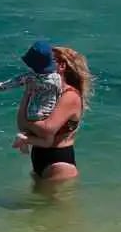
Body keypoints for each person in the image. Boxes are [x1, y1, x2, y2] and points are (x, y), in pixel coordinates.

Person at [14, 43, 93, 183]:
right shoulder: (42, 92)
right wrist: (27, 93)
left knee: (52, 205)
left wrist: (30, 125)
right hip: (39, 156)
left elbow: (46, 130)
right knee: (36, 204)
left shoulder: (70, 96)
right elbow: (22, 125)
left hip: (59, 162)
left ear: (62, 66)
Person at [0, 40, 64, 154]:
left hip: (30, 113)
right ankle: (25, 140)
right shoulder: (57, 78)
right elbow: (59, 93)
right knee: (48, 141)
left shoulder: (29, 77)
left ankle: (24, 139)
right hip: (46, 115)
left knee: (29, 130)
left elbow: (13, 82)